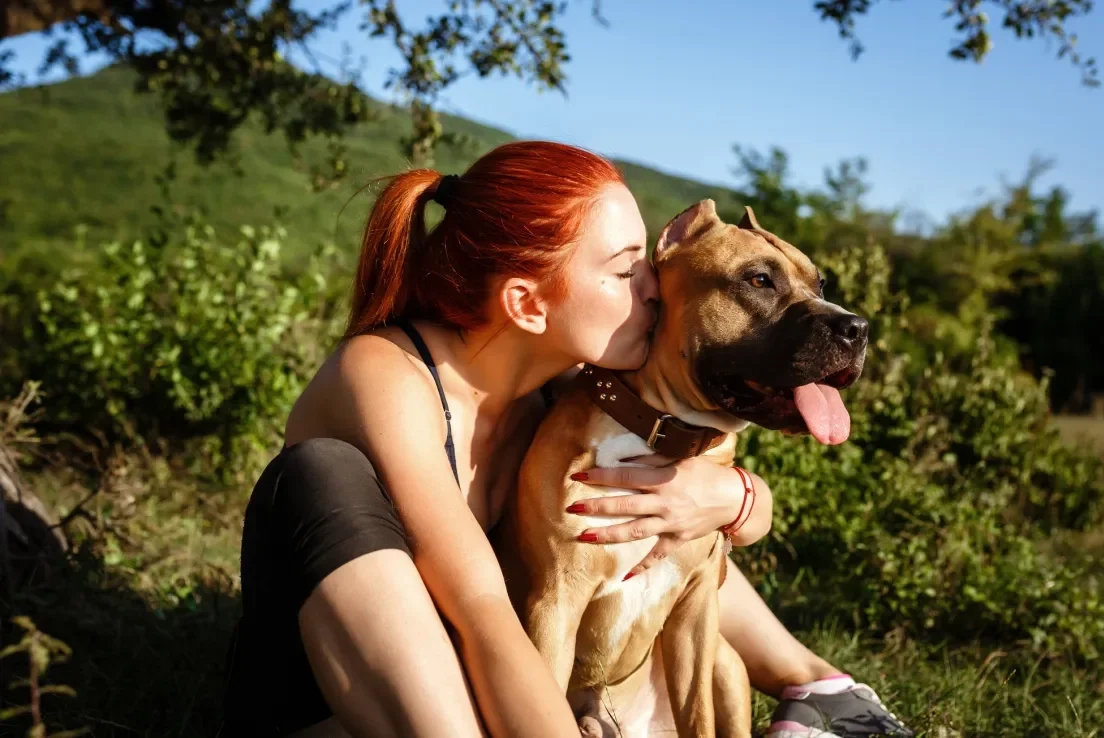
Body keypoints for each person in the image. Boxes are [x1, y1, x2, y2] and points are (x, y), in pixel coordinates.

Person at [218, 140, 910, 738]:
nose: (656, 287)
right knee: (322, 472)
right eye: (625, 270)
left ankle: (821, 687)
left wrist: (730, 494)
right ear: (526, 301)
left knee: (627, 512)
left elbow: (669, 539)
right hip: (346, 708)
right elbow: (484, 612)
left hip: (497, 687)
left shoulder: (569, 392)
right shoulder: (388, 374)